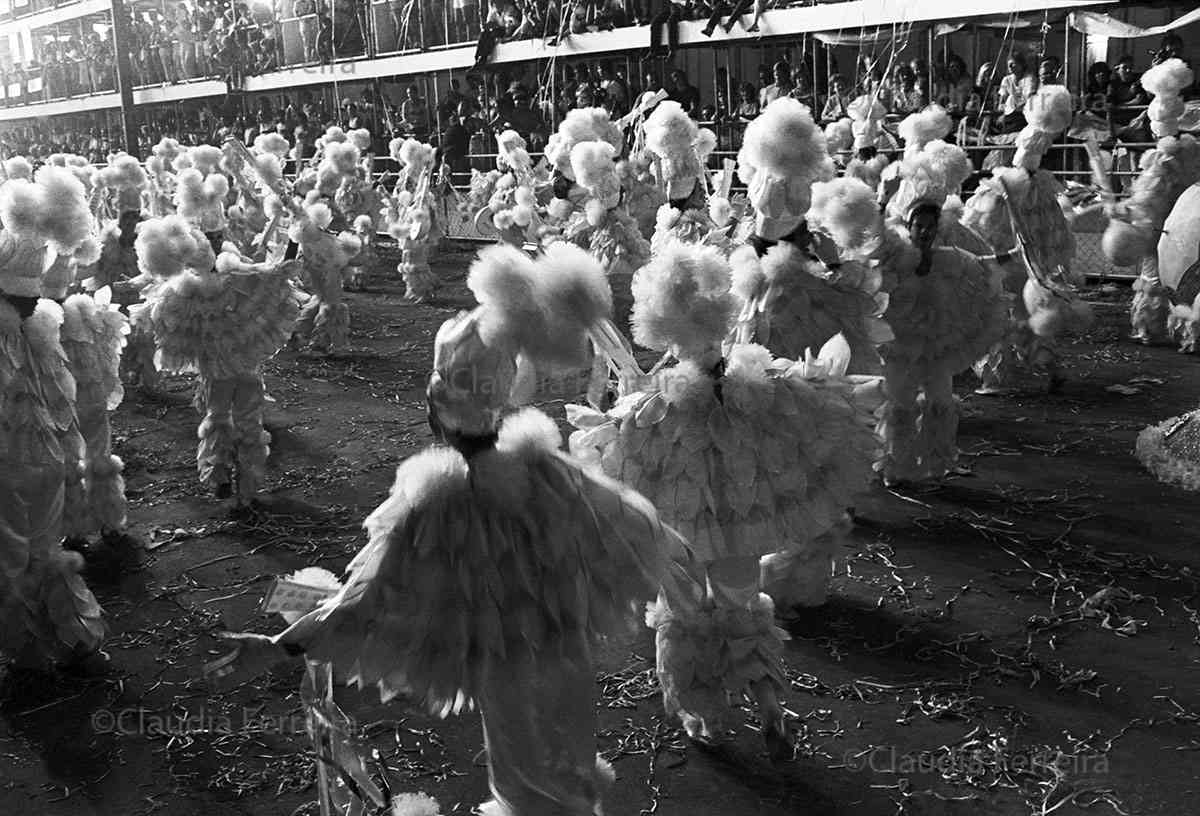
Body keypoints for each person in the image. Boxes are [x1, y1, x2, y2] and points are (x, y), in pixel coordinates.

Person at [209, 244, 691, 816]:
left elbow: (368, 594)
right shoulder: (549, 471)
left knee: (525, 788)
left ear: (434, 409)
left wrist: (280, 641)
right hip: (564, 662)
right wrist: (688, 574)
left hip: (507, 675)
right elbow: (636, 524)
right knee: (568, 776)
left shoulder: (436, 499)